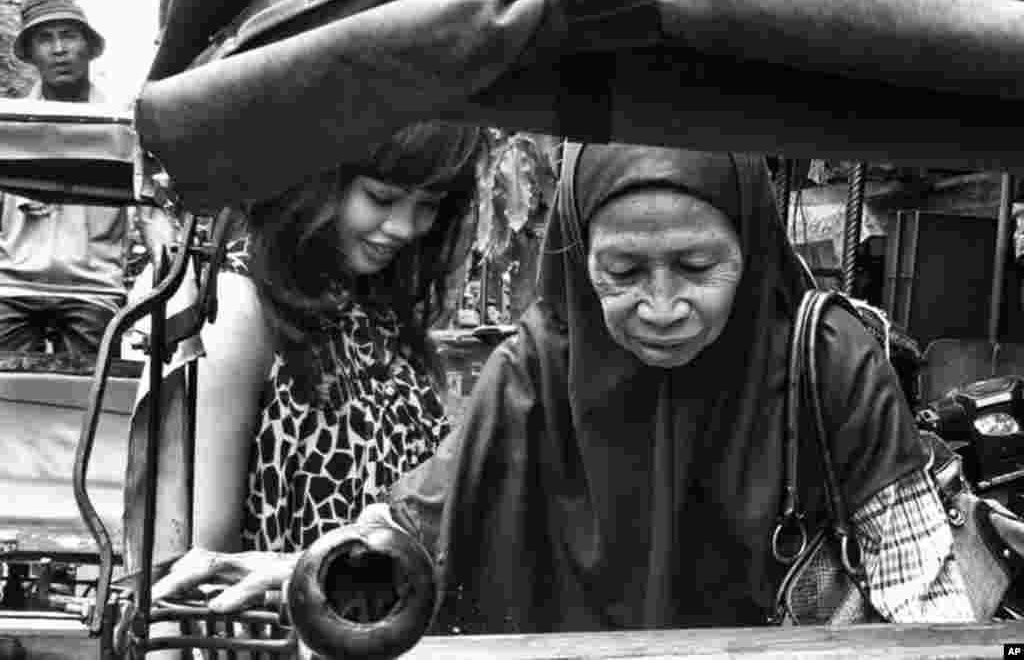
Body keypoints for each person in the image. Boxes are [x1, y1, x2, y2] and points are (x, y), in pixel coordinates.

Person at [152, 143, 974, 629]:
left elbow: (929, 603)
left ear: (752, 252)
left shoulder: (826, 359)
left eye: (696, 266)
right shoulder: (538, 366)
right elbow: (422, 526)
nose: (660, 306)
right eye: (622, 271)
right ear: (579, 265)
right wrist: (307, 566)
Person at [164, 121, 485, 555]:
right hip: (281, 615)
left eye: (428, 205)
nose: (405, 228)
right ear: (316, 181)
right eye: (381, 198)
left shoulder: (376, 309)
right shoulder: (241, 307)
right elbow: (204, 554)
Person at [0, 0, 176, 358]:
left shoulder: (121, 124)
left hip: (92, 289)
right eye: (45, 39)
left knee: (94, 398)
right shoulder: (10, 123)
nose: (59, 49)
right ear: (31, 53)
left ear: (89, 47)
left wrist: (169, 272)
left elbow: (151, 209)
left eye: (69, 35)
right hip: (10, 287)